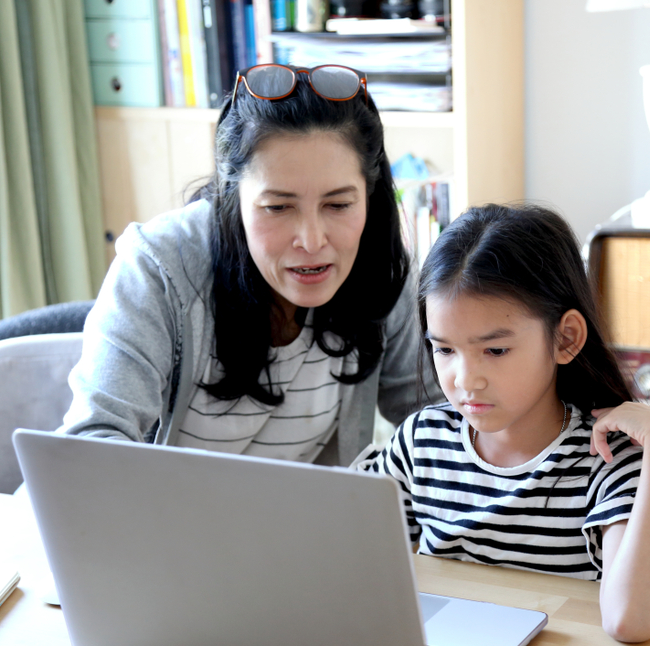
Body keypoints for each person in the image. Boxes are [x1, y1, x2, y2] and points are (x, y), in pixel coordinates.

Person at [61, 64, 440, 466]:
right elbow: (89, 447)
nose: (312, 241)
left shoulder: (377, 267)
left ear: (369, 194)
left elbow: (437, 425)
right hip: (164, 522)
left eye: (338, 205)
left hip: (299, 525)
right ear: (231, 197)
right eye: (278, 207)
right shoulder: (158, 267)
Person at [354, 203, 650, 643]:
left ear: (565, 338)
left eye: (494, 351)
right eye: (444, 350)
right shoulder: (422, 443)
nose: (465, 379)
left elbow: (631, 620)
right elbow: (354, 564)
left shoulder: (607, 458)